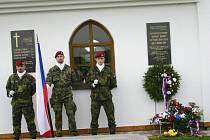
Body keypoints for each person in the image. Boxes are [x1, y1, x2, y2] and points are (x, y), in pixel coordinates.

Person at [46, 51, 78, 137]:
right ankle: (59, 132)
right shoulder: (52, 70)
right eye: (58, 56)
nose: (60, 57)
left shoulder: (69, 69)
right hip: (56, 95)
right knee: (58, 114)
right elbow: (48, 81)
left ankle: (73, 131)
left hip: (67, 94)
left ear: (63, 58)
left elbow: (74, 80)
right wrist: (46, 87)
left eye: (61, 56)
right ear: (56, 58)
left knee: (70, 113)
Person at [86, 51, 117, 135]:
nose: (100, 60)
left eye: (102, 58)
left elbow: (113, 83)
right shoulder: (92, 70)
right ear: (96, 59)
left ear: (104, 59)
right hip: (95, 98)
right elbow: (87, 83)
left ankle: (112, 131)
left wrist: (105, 88)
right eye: (99, 58)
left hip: (107, 97)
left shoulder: (109, 70)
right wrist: (93, 84)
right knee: (94, 116)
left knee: (110, 115)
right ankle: (94, 132)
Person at [6, 60, 37, 140]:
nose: (20, 67)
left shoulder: (30, 78)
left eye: (21, 66)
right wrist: (10, 92)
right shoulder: (12, 77)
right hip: (16, 103)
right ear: (16, 67)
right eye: (18, 66)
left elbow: (34, 89)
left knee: (30, 119)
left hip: (27, 103)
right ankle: (16, 135)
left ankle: (33, 134)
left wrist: (27, 95)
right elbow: (8, 87)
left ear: (24, 66)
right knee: (16, 120)